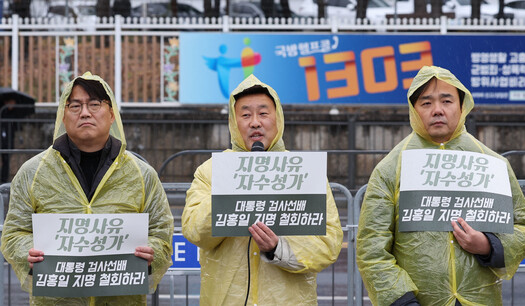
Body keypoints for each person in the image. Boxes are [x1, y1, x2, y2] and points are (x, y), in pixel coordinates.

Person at [356, 65, 525, 305]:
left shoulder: (491, 163)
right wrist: (403, 301)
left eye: (447, 101)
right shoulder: (392, 168)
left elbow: (523, 228)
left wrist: (487, 245)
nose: (437, 110)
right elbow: (371, 248)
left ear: (462, 107)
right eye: (426, 103)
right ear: (413, 110)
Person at [1, 72, 174, 304]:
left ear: (112, 114)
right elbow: (14, 232)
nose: (85, 112)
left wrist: (152, 252)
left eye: (94, 104)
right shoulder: (33, 172)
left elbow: (162, 232)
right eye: (75, 105)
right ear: (63, 115)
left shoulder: (142, 174)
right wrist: (27, 252)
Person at [181, 74, 343, 305]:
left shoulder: (303, 172)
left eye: (263, 113)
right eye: (245, 114)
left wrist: (277, 249)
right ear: (233, 123)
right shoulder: (211, 171)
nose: (255, 122)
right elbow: (194, 230)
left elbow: (328, 244)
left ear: (277, 118)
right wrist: (233, 187)